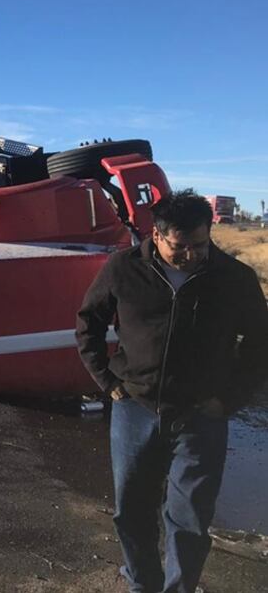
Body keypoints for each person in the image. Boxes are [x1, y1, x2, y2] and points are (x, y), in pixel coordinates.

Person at [76, 189, 268, 593]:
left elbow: (259, 345)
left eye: (200, 245)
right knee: (132, 511)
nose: (191, 255)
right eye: (180, 247)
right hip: (135, 409)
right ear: (157, 235)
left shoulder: (234, 279)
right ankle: (142, 584)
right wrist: (108, 382)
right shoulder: (123, 268)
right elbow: (88, 323)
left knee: (190, 519)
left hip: (201, 416)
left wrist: (228, 400)